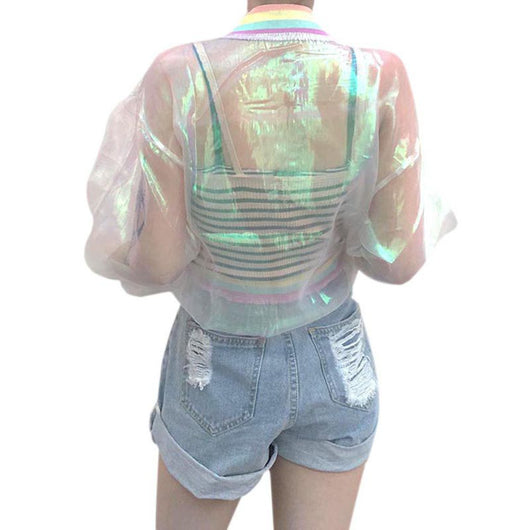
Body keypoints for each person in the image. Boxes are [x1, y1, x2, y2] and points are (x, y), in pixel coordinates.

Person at [84, 1, 458, 528]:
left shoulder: (180, 75)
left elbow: (159, 262)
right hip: (335, 359)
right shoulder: (377, 77)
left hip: (216, 361)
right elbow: (397, 260)